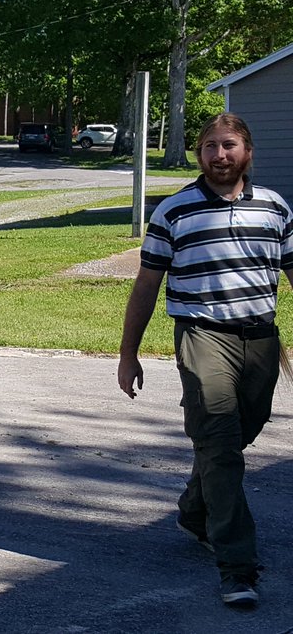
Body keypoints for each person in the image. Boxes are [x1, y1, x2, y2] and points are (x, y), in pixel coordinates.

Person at [117, 112, 293, 609]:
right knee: (218, 440)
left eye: (229, 145)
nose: (219, 155)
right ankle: (237, 566)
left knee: (237, 436)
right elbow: (146, 286)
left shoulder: (276, 209)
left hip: (261, 339)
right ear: (199, 153)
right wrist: (128, 354)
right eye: (210, 146)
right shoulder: (174, 212)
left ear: (248, 152)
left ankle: (196, 513)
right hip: (202, 335)